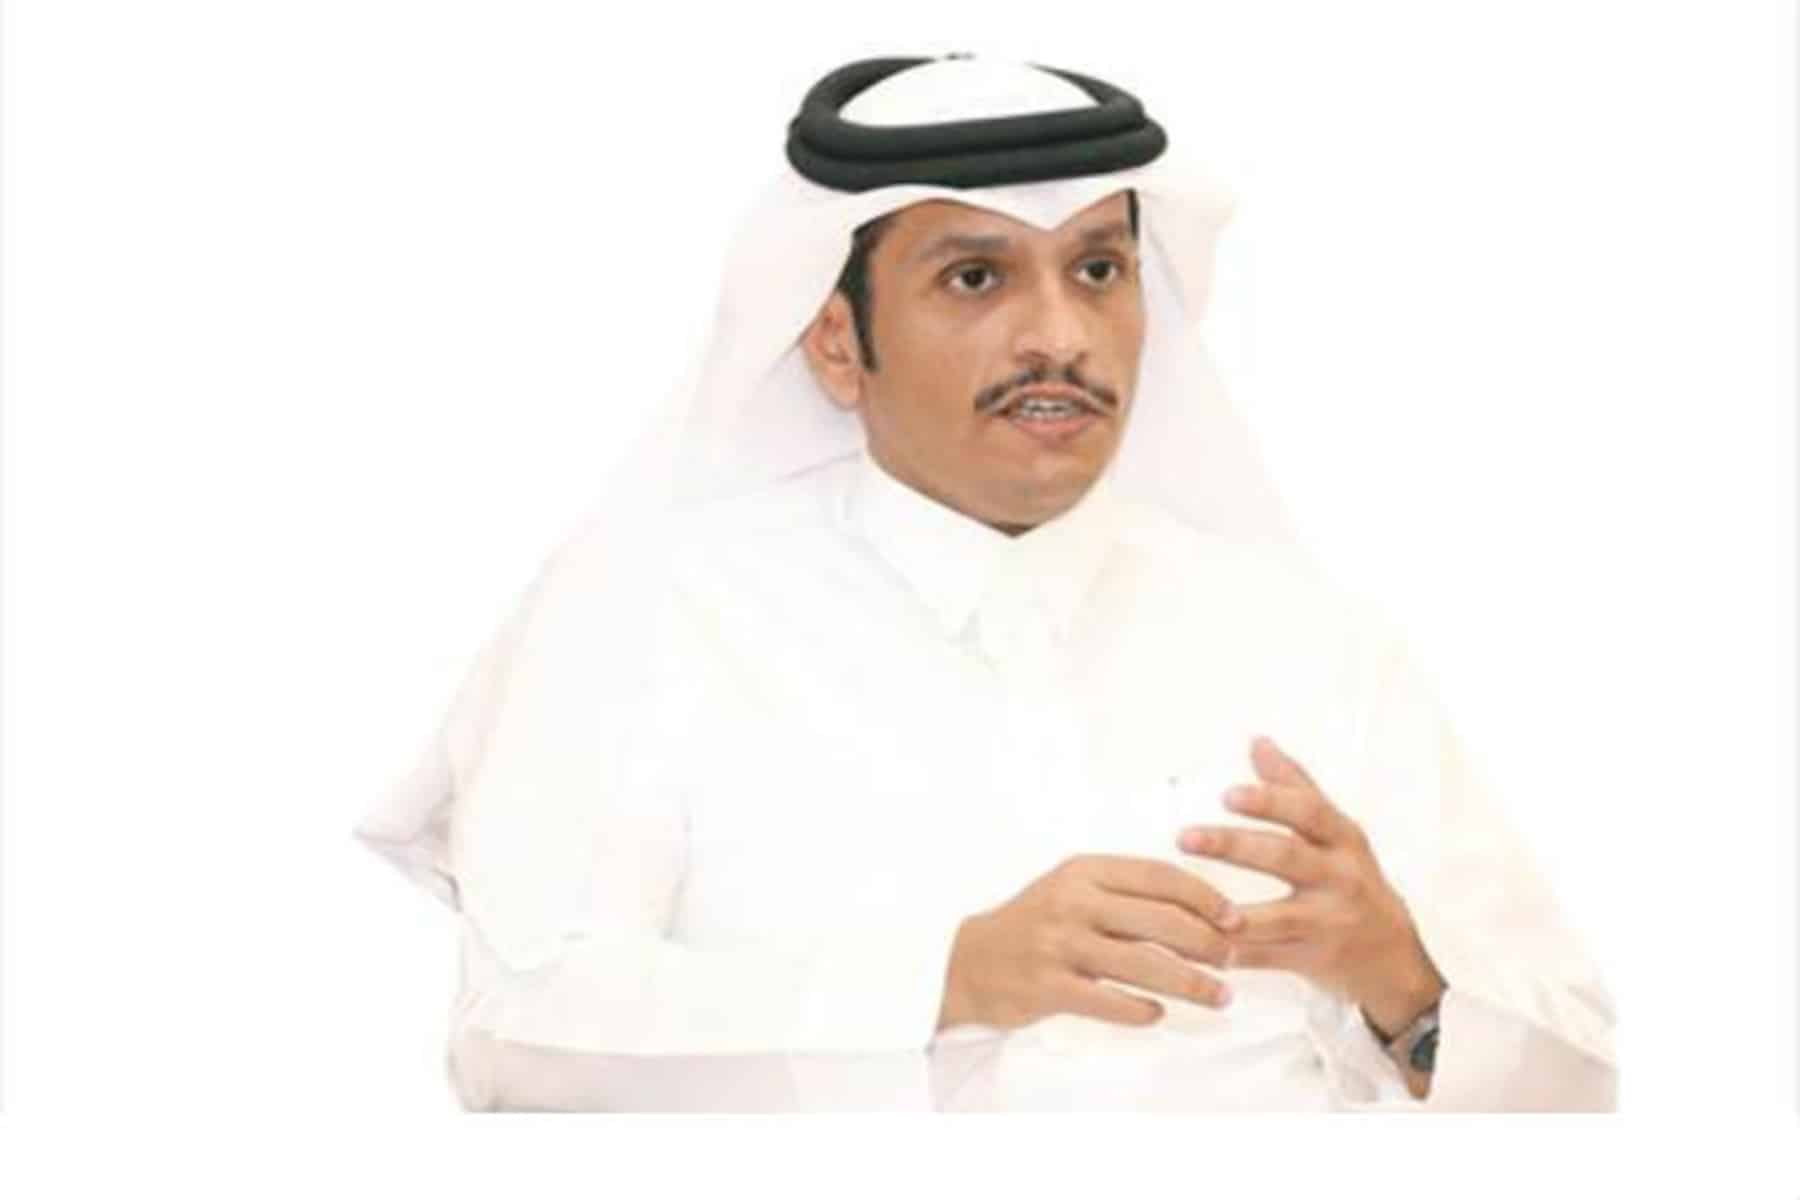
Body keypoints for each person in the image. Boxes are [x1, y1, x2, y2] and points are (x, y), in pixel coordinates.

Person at [353, 53, 1617, 1112]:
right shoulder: (644, 613)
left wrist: (1403, 982)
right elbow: (520, 1041)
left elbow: (1584, 1088)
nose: (1060, 335)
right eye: (977, 277)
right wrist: (946, 983)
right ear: (838, 342)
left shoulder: (1311, 640)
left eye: (1099, 271)